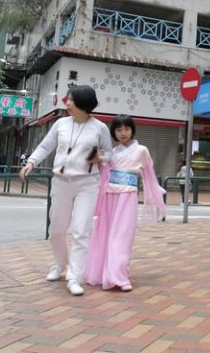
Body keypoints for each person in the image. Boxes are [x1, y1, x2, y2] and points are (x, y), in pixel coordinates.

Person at [19, 85, 113, 296]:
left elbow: (109, 154)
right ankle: (59, 264)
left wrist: (101, 158)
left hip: (87, 183)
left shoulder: (100, 128)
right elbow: (45, 146)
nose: (67, 102)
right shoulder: (60, 124)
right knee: (56, 230)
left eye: (70, 100)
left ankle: (74, 276)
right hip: (61, 182)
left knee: (81, 231)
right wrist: (31, 163)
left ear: (82, 103)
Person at [85, 115, 166, 292]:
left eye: (126, 129)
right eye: (119, 130)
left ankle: (119, 277)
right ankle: (103, 274)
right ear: (113, 132)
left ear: (132, 130)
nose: (123, 133)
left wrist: (156, 194)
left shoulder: (142, 150)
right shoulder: (111, 153)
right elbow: (100, 171)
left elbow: (149, 175)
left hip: (127, 197)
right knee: (105, 235)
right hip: (109, 197)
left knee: (122, 236)